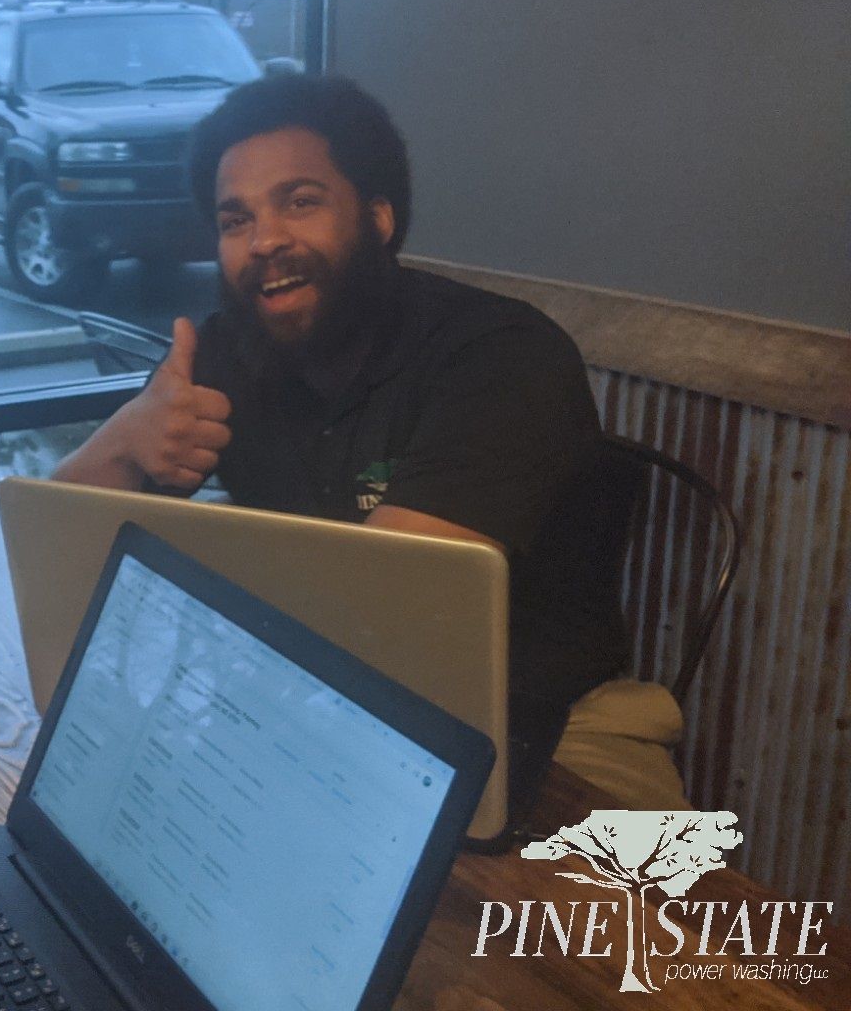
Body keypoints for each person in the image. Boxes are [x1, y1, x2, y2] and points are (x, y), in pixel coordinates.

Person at [54, 73, 688, 811]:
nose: (264, 241)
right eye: (235, 220)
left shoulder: (502, 357)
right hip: (322, 701)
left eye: (301, 201)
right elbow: (54, 552)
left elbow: (392, 609)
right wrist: (126, 441)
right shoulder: (228, 351)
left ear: (380, 216)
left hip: (557, 729)